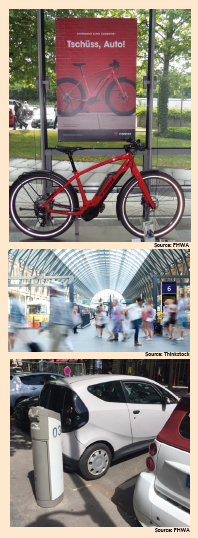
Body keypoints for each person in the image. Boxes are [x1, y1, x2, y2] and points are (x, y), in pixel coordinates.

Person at [39, 281, 74, 351]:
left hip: (58, 328)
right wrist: (71, 325)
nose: (50, 289)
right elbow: (69, 314)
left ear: (54, 289)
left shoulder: (54, 299)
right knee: (64, 344)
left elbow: (53, 315)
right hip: (65, 327)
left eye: (51, 288)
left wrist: (44, 328)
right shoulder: (64, 299)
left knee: (54, 349)